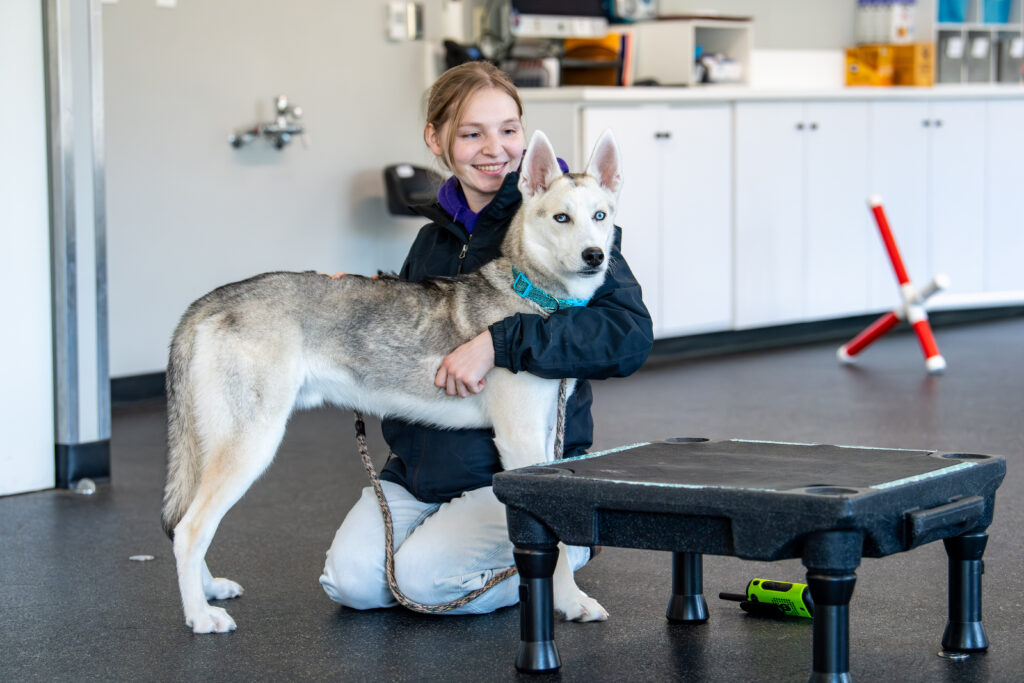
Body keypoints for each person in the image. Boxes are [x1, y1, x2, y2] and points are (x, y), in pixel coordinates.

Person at [319, 61, 653, 615]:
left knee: (424, 585)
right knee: (351, 585)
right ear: (438, 139)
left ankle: (559, 544)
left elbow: (626, 334)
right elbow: (423, 316)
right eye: (472, 133)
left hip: (509, 471)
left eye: (508, 130)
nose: (493, 148)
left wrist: (501, 341)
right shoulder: (434, 235)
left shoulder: (562, 220)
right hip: (422, 470)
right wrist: (365, 297)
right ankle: (485, 544)